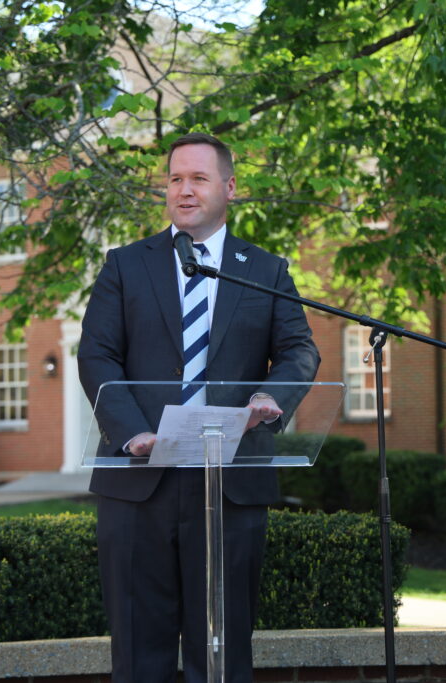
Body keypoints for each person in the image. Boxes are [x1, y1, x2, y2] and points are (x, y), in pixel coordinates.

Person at [77, 132, 320, 683]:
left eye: (199, 179)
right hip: (140, 477)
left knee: (223, 651)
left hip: (230, 479)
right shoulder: (125, 265)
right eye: (175, 179)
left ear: (230, 188)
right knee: (140, 652)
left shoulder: (263, 270)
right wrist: (133, 433)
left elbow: (300, 351)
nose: (183, 191)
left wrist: (270, 398)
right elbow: (96, 355)